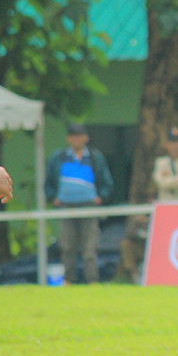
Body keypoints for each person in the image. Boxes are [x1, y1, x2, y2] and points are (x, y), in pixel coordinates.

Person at [44, 122, 113, 284]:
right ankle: (69, 280)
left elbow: (107, 182)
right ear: (69, 139)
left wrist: (100, 197)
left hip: (89, 206)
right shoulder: (58, 158)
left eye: (80, 136)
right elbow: (48, 183)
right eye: (73, 136)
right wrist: (53, 197)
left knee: (90, 248)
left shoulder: (95, 157)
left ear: (86, 138)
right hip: (65, 206)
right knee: (67, 246)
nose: (77, 140)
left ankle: (92, 281)